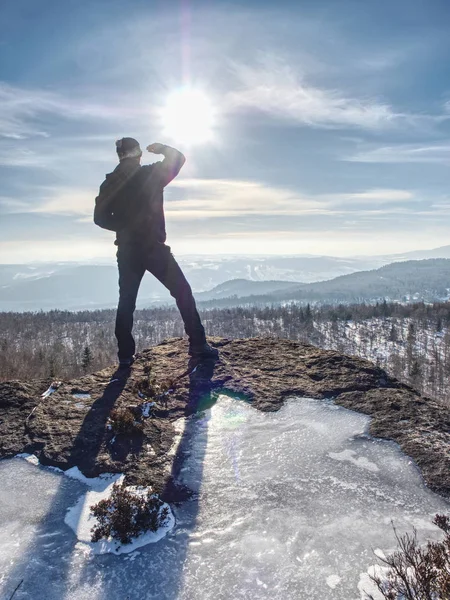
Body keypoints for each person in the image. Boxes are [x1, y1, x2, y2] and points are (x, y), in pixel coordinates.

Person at [94, 137, 218, 368]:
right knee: (182, 291)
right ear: (139, 154)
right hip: (153, 246)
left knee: (126, 302)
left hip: (127, 250)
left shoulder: (109, 183)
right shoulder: (149, 175)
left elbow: (99, 218)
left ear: (119, 155)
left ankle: (125, 356)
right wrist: (161, 149)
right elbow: (178, 159)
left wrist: (123, 226)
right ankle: (198, 345)